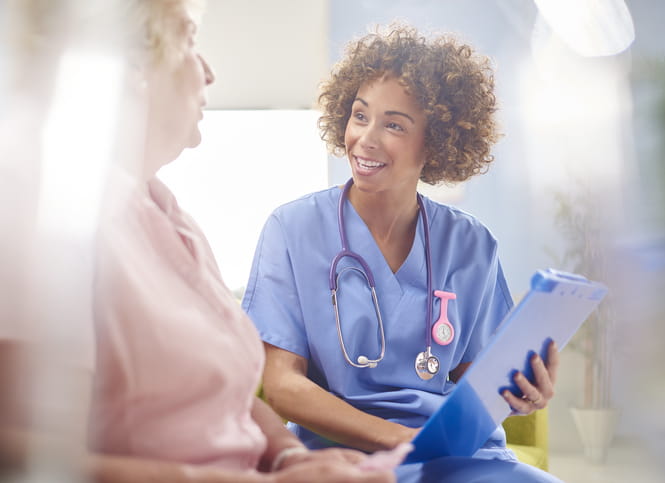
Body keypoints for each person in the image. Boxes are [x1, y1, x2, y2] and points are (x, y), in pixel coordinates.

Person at [1, 2, 396, 482]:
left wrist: (292, 457)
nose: (208, 71)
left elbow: (227, 400)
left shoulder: (167, 216)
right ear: (126, 65)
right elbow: (20, 456)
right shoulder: (38, 207)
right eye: (188, 41)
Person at [243, 24, 563, 482]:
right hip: (343, 454)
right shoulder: (292, 229)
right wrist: (399, 438)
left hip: (456, 457)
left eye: (394, 124)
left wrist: (523, 392)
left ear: (434, 142)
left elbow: (483, 385)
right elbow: (282, 386)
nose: (366, 139)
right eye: (360, 115)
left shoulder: (470, 244)